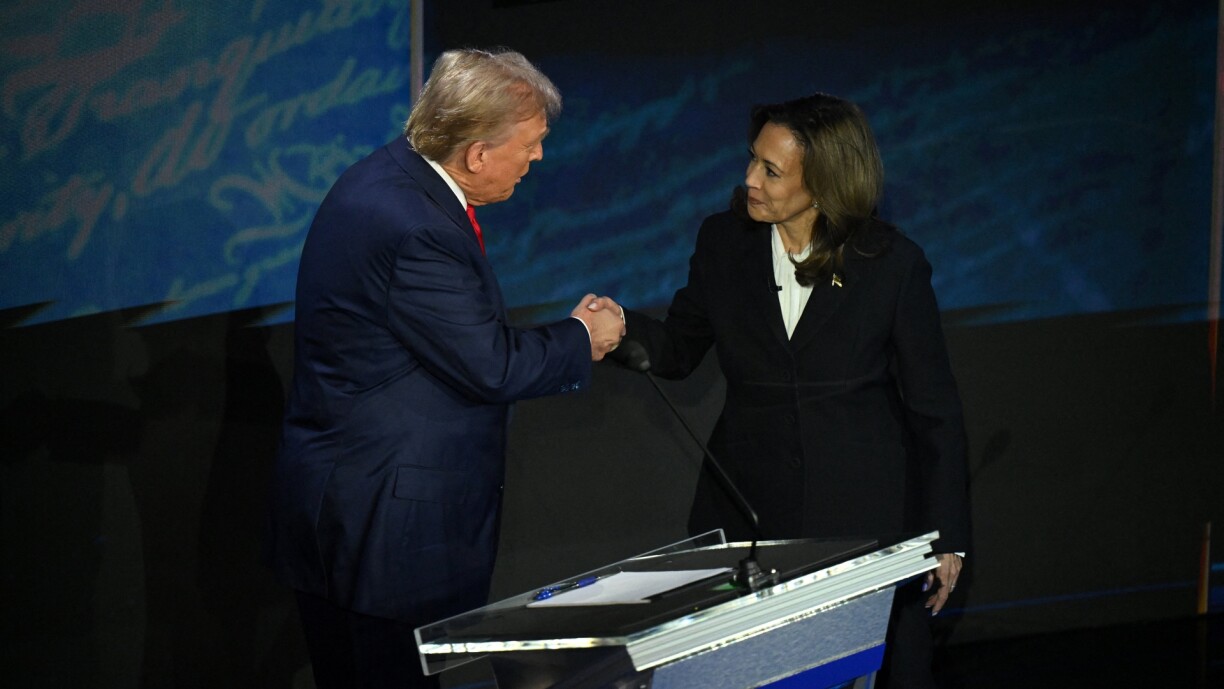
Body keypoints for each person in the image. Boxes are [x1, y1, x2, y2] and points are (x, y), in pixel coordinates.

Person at [266, 48, 625, 689]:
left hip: (353, 512)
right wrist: (582, 336)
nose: (539, 157)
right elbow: (490, 366)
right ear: (477, 154)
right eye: (531, 144)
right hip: (385, 533)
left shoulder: (387, 178)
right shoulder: (416, 228)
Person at [615, 93, 970, 689]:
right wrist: (618, 330)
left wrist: (948, 536)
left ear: (825, 182)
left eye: (771, 170)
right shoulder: (724, 242)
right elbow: (678, 347)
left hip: (863, 518)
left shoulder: (891, 263)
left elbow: (934, 409)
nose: (750, 179)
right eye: (752, 160)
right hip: (751, 514)